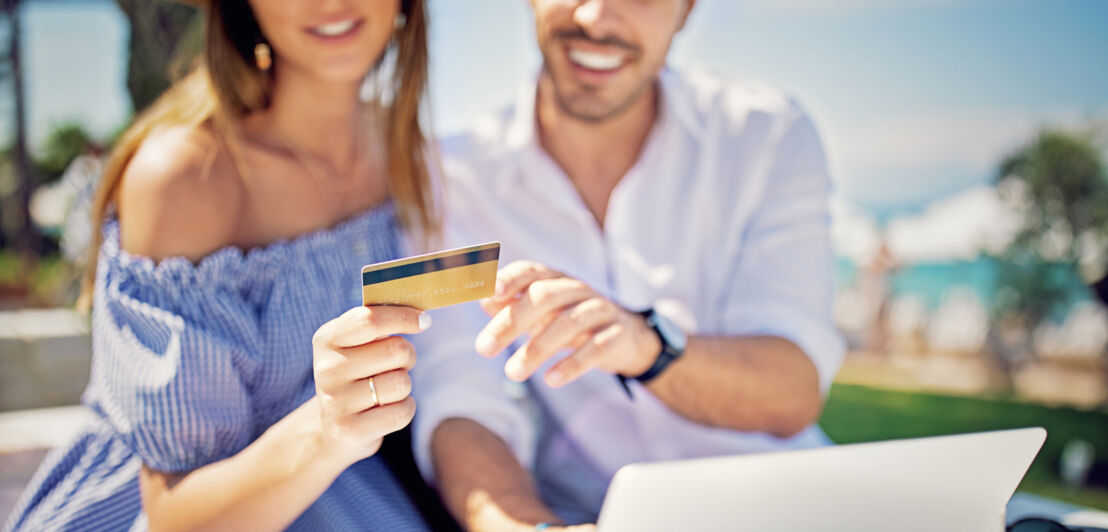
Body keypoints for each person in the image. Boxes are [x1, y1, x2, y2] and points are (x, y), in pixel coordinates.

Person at [4, 0, 444, 530]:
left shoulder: (406, 148)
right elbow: (174, 513)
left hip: (349, 487)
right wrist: (327, 429)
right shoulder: (185, 175)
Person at [410, 0, 845, 529]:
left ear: (688, 10)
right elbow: (460, 399)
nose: (596, 18)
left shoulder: (765, 136)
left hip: (783, 510)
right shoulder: (451, 178)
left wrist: (647, 344)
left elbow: (792, 390)